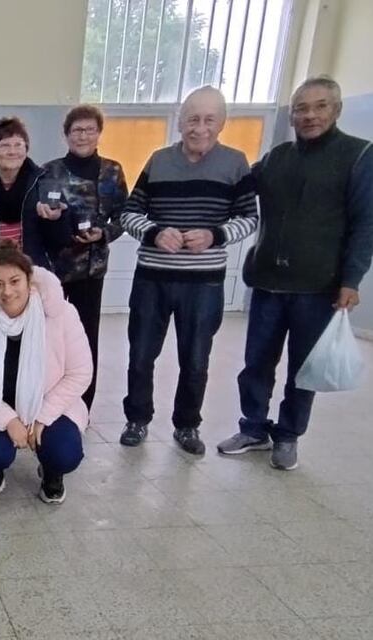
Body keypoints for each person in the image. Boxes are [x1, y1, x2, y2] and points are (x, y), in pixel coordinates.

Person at [217, 76, 373, 470]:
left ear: (336, 110)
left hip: (319, 287)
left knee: (303, 368)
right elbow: (236, 187)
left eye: (320, 106)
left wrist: (351, 279)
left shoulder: (358, 156)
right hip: (268, 281)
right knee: (256, 361)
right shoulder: (277, 157)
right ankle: (254, 427)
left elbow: (366, 225)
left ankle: (288, 435)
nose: (309, 115)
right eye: (301, 108)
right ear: (291, 115)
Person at [119, 86, 258, 456]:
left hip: (204, 283)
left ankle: (187, 425)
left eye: (209, 119)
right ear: (180, 122)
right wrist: (153, 232)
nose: (200, 128)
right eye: (193, 119)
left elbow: (249, 218)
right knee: (140, 354)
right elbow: (129, 213)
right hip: (152, 277)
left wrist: (216, 235)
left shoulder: (235, 163)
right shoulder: (158, 161)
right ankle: (137, 419)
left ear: (222, 123)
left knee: (196, 359)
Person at [0, 242, 91, 503]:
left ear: (29, 280)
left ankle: (52, 473)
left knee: (64, 453)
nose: (7, 292)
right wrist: (8, 420)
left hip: (48, 403)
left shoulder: (61, 314)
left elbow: (80, 372)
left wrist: (43, 417)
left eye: (15, 281)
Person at [40, 105, 128, 410]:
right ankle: (48, 401)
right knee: (51, 338)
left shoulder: (112, 171)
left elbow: (124, 215)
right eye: (77, 130)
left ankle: (81, 406)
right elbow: (38, 215)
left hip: (92, 270)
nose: (83, 136)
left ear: (99, 133)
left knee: (86, 338)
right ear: (66, 135)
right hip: (54, 268)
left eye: (90, 130)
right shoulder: (49, 171)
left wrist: (103, 233)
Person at [0, 117, 62, 289]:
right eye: (5, 145)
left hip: (34, 278)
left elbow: (61, 241)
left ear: (26, 150)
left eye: (18, 145)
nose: (12, 151)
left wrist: (55, 219)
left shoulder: (44, 186)